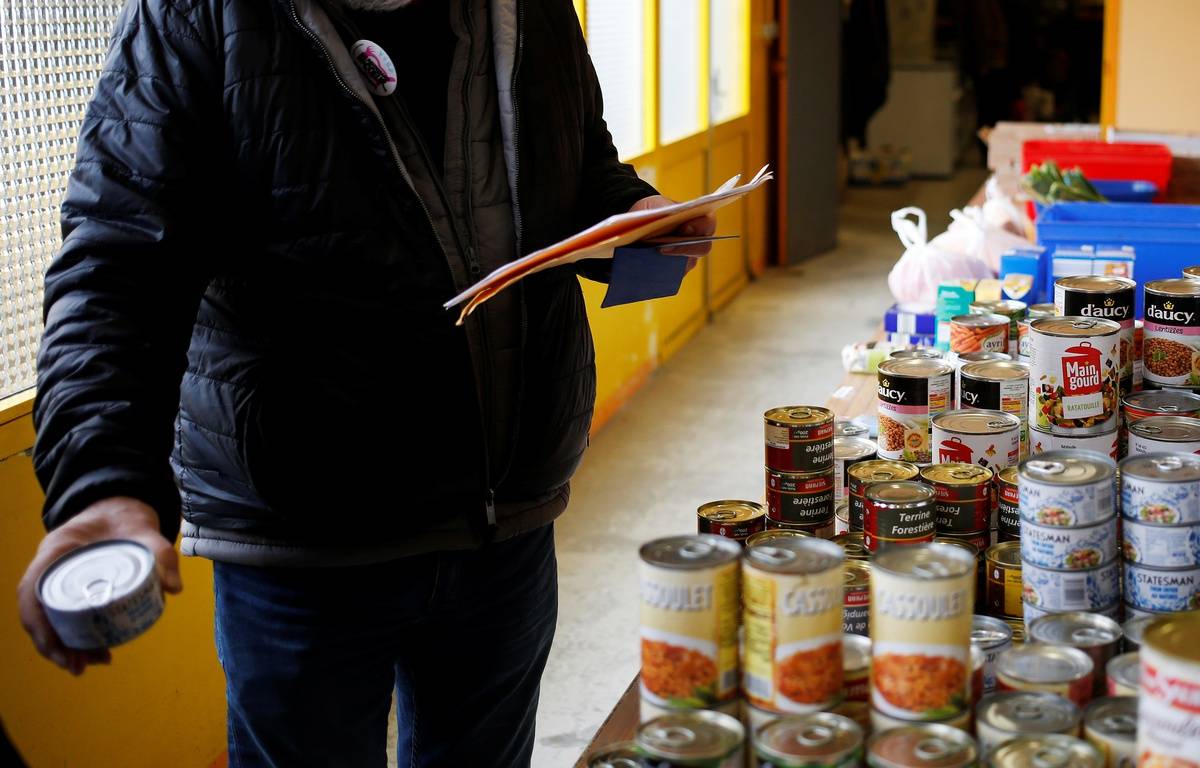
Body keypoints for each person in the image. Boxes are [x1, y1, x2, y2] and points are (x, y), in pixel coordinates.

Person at [16, 0, 715, 765]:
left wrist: (636, 217)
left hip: (504, 521)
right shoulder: (193, 17)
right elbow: (116, 271)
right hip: (303, 547)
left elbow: (576, 166)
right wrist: (102, 481)